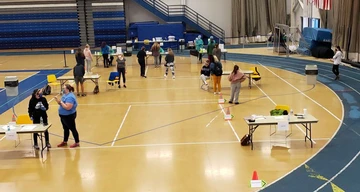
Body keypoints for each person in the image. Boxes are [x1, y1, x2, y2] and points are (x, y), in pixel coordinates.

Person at [55, 84, 80, 148]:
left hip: (69, 116)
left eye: (64, 88)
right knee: (65, 129)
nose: (63, 89)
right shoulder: (64, 95)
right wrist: (57, 100)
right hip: (63, 115)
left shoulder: (70, 97)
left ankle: (77, 142)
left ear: (67, 89)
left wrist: (60, 102)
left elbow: (68, 107)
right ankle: (65, 141)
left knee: (73, 129)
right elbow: (61, 103)